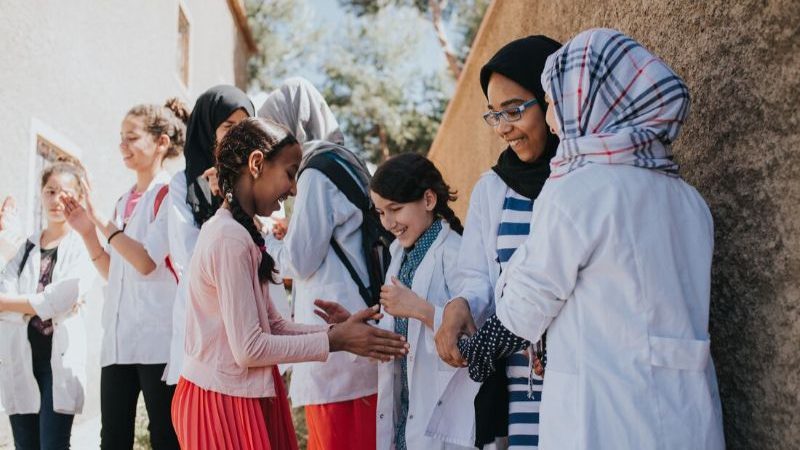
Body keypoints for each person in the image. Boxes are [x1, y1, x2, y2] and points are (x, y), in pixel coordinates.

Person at [457, 28, 725, 449]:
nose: (551, 117)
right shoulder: (689, 200)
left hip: (607, 416)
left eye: (554, 101)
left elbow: (531, 296)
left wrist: (483, 347)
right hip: (685, 415)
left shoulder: (579, 190)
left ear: (585, 102)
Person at [170, 117, 408, 450]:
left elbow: (274, 325)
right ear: (256, 164)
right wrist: (336, 342)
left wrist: (334, 334)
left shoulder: (240, 233)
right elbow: (250, 349)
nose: (294, 189)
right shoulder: (229, 238)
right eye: (290, 173)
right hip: (222, 403)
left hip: (239, 393)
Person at [434, 35, 562, 449]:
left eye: (514, 111)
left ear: (551, 101)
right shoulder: (494, 189)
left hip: (580, 369)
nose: (503, 128)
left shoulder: (581, 178)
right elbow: (477, 276)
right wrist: (460, 305)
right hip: (521, 383)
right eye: (494, 115)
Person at [258, 77, 379, 450]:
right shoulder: (346, 161)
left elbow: (298, 260)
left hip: (340, 355)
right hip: (357, 335)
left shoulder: (315, 170)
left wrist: (259, 238)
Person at [61, 99, 188, 449]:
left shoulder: (169, 193)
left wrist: (100, 219)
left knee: (164, 436)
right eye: (121, 137)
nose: (123, 146)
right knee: (112, 438)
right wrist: (88, 231)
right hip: (118, 341)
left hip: (157, 341)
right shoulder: (122, 201)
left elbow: (147, 263)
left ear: (161, 142)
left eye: (132, 137)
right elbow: (115, 272)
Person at [0, 162, 96, 450]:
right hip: (22, 358)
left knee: (53, 444)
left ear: (78, 197)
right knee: (25, 445)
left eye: (65, 193)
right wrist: (33, 304)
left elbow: (57, 299)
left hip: (58, 365)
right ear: (41, 194)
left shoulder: (82, 246)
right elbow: (8, 287)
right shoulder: (26, 246)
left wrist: (11, 305)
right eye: (50, 191)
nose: (57, 200)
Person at [164, 85, 255, 385]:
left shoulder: (257, 181)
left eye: (244, 128)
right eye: (228, 127)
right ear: (208, 130)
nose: (237, 137)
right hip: (204, 323)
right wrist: (225, 203)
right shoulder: (183, 185)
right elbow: (188, 255)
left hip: (251, 329)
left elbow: (268, 252)